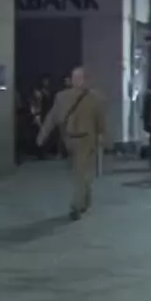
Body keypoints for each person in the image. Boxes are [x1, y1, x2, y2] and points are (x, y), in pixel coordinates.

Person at [37, 66, 107, 220]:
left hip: (83, 140)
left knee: (80, 173)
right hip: (72, 140)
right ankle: (86, 200)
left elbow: (100, 121)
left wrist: (102, 136)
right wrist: (42, 135)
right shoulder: (63, 97)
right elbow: (52, 117)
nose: (77, 81)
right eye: (75, 78)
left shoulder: (94, 98)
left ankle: (76, 205)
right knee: (81, 172)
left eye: (79, 78)